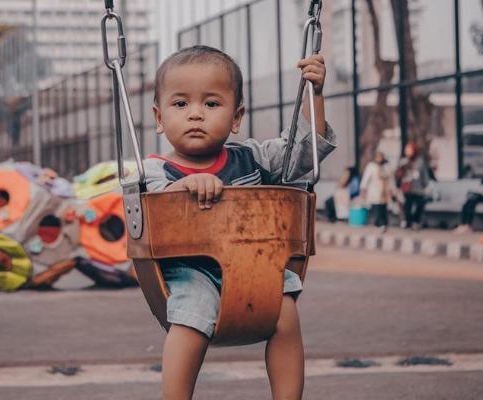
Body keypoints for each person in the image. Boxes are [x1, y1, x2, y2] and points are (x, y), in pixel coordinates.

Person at [143, 45, 336, 400]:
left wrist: (315, 95)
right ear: (159, 117)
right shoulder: (155, 169)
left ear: (236, 117)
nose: (196, 115)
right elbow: (148, 202)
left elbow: (305, 154)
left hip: (255, 268)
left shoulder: (252, 157)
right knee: (191, 316)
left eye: (211, 104)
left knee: (285, 312)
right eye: (181, 104)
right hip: (190, 273)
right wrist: (181, 187)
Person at [359, 152, 398, 233]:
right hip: (375, 191)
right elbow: (366, 178)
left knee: (384, 208)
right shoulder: (371, 166)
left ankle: (384, 224)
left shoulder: (387, 166)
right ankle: (379, 224)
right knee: (377, 208)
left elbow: (391, 180)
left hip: (385, 191)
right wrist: (363, 189)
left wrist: (393, 191)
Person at [395, 142, 430, 229]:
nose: (408, 152)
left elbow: (424, 174)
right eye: (407, 150)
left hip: (418, 187)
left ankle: (416, 221)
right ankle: (408, 221)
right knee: (407, 206)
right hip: (407, 187)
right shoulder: (403, 161)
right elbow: (398, 175)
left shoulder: (420, 162)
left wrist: (426, 185)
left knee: (419, 204)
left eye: (409, 150)